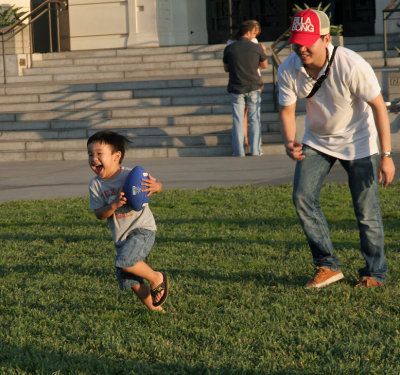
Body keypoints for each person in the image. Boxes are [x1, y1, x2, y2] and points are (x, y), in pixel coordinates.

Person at [278, 9, 395, 288]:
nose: (301, 48)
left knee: (366, 211)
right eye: (296, 42)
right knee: (302, 197)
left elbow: (379, 106)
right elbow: (286, 110)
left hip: (359, 142)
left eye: (308, 41)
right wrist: (289, 140)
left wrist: (386, 156)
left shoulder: (351, 64)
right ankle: (327, 265)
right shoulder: (288, 68)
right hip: (317, 140)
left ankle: (374, 272)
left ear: (326, 38)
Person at [87, 131, 168, 312]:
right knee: (129, 278)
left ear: (117, 156)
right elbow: (100, 214)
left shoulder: (132, 175)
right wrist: (114, 204)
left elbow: (157, 185)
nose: (94, 159)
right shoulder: (95, 185)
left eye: (99, 154)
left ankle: (156, 278)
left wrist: (156, 187)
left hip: (142, 229)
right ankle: (158, 311)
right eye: (90, 154)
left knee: (124, 261)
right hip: (121, 237)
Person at [223, 20, 268, 157]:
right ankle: (255, 150)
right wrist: (255, 67)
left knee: (238, 119)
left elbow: (226, 68)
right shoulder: (257, 47)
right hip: (253, 85)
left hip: (236, 86)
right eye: (253, 33)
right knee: (254, 118)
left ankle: (239, 151)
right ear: (248, 32)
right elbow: (264, 65)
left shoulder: (230, 48)